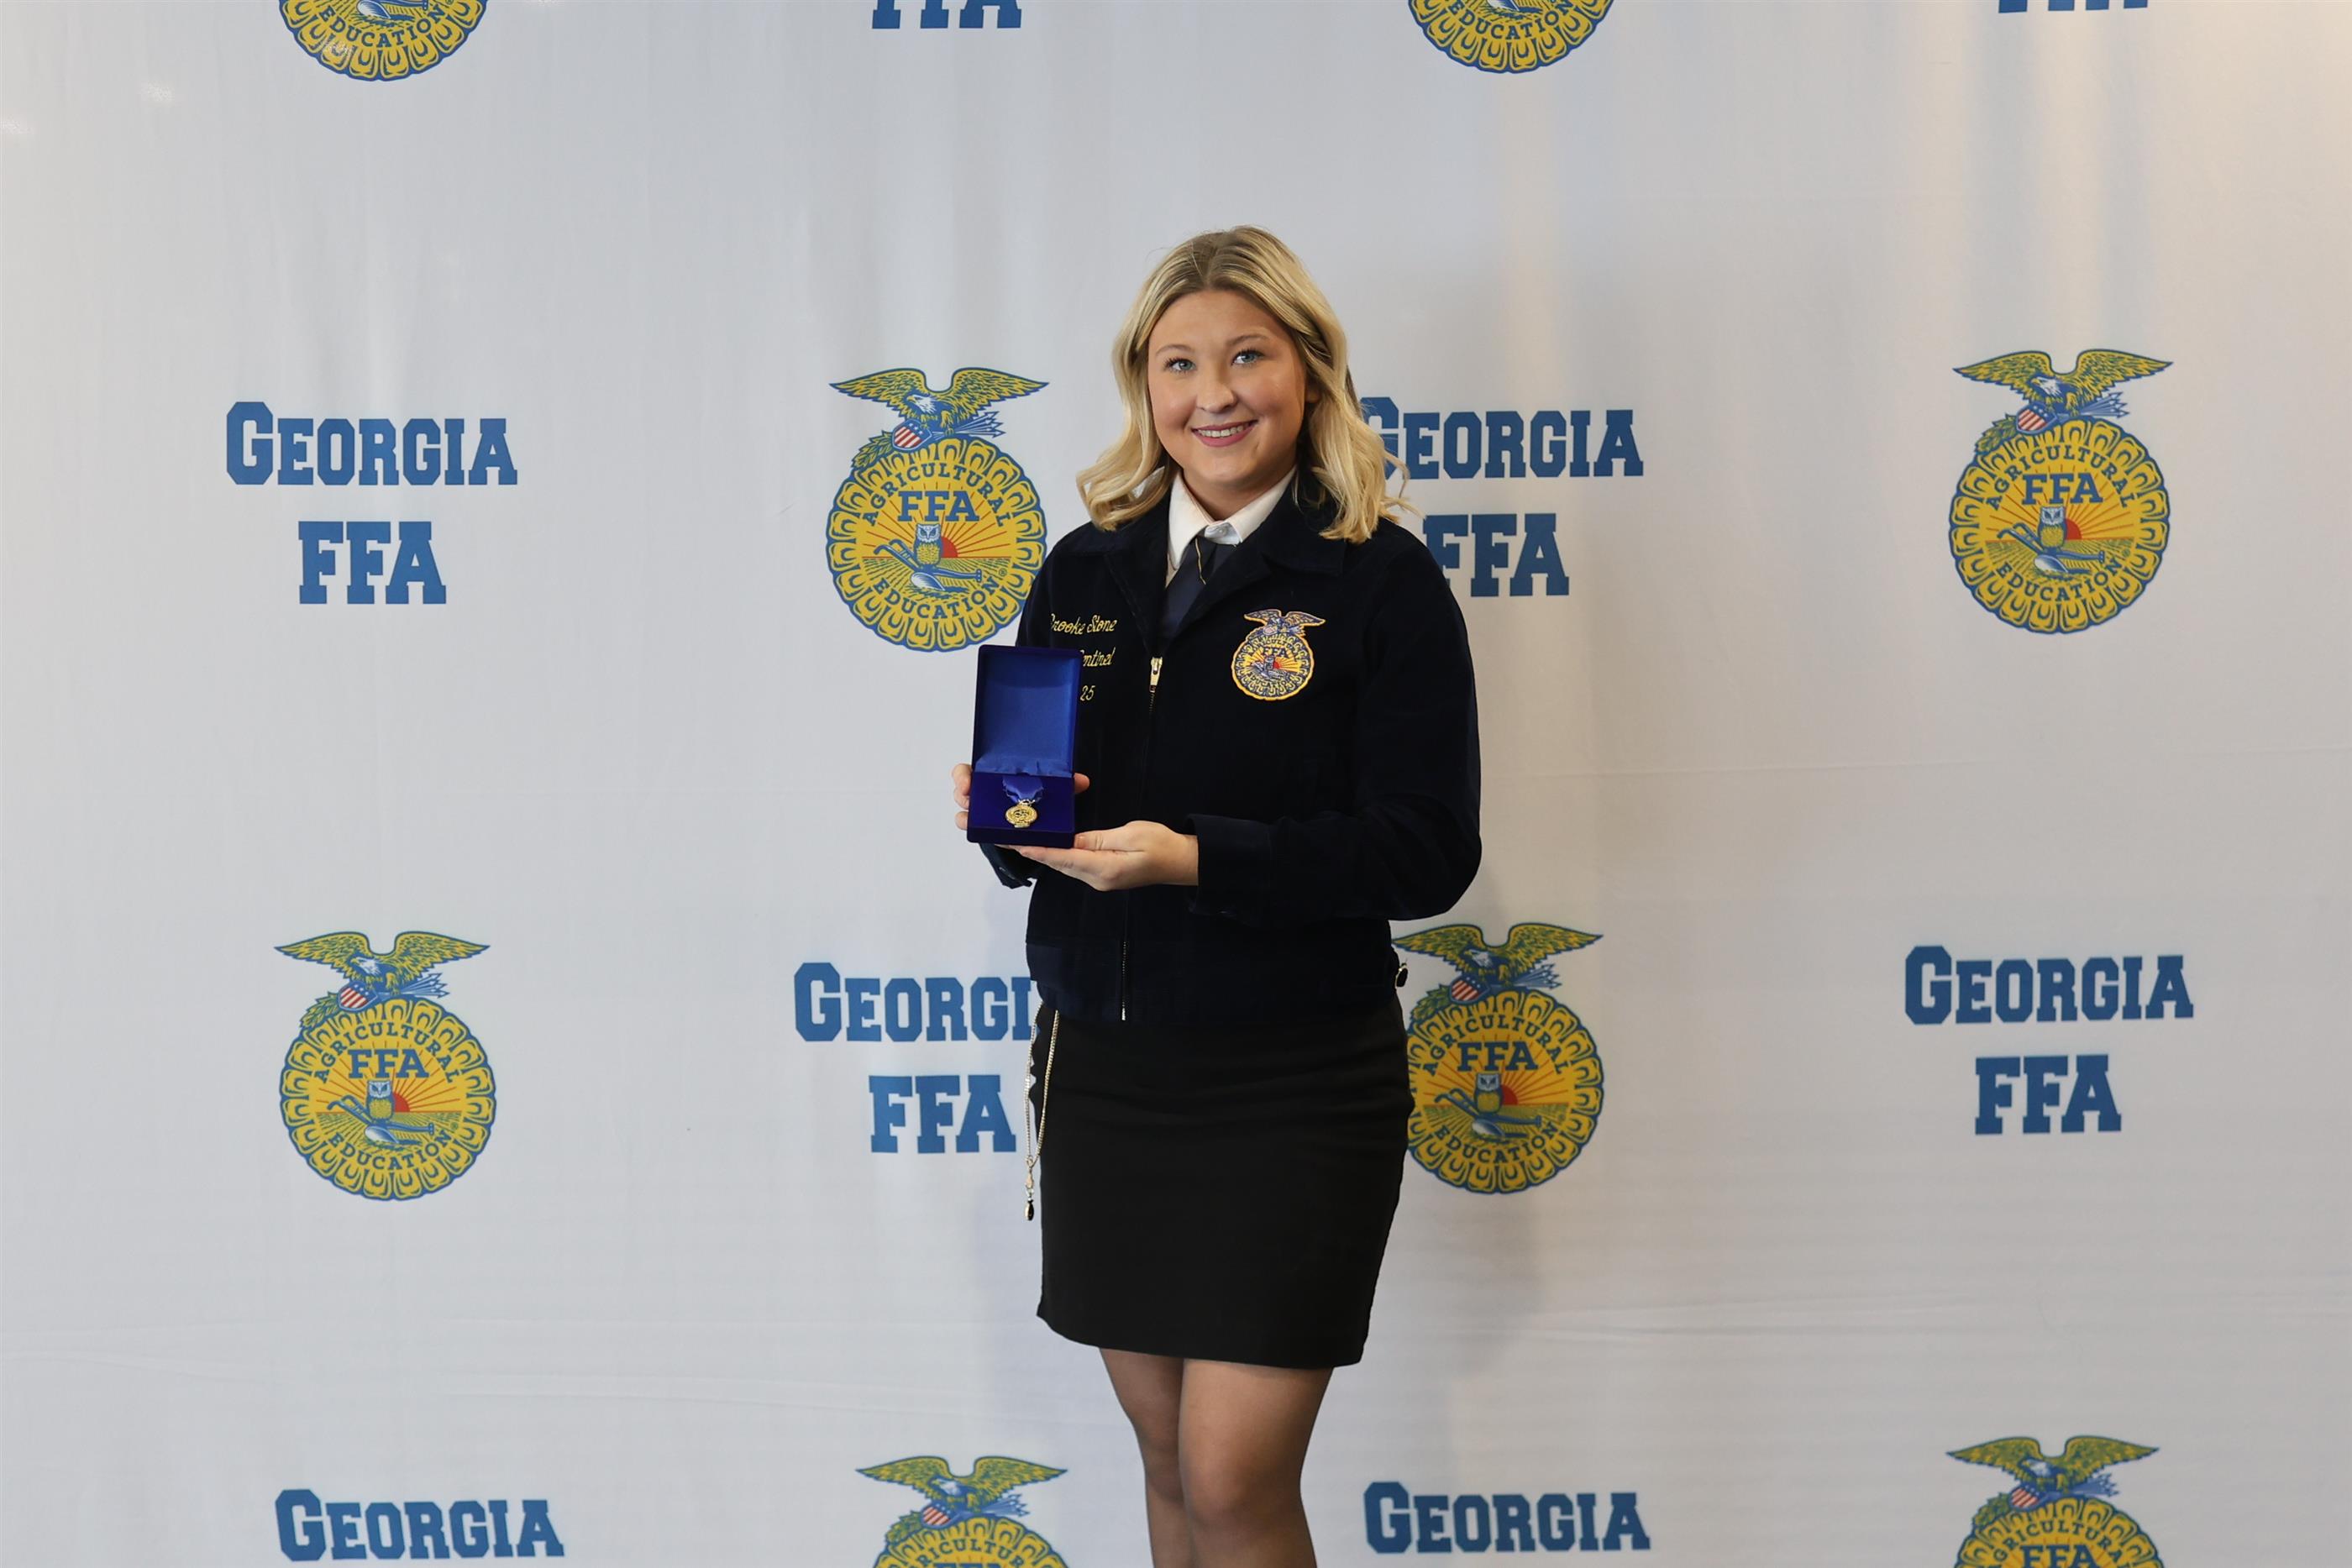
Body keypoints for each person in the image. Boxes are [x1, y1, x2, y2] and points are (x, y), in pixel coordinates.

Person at [949, 226, 1480, 1568]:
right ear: (1145, 383)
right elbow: (1036, 829)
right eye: (1180, 363)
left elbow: (1426, 852)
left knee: (1235, 1481)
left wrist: (1196, 858)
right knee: (1170, 1466)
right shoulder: (1083, 568)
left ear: (1309, 371)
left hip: (1291, 1083)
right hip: (1108, 1074)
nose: (1215, 394)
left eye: (1248, 356)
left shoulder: (1379, 580)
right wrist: (1006, 820)